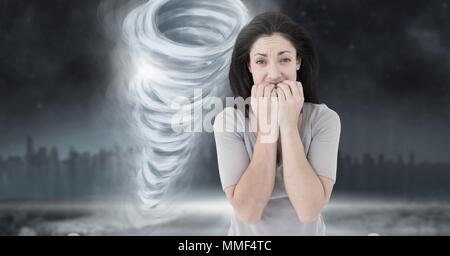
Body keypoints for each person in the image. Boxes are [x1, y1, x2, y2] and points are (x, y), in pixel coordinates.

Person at [213, 12, 341, 235]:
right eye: (261, 61)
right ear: (249, 66)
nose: (274, 74)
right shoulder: (228, 121)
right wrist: (268, 129)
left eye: (284, 59)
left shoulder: (324, 119)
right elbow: (248, 212)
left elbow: (308, 210)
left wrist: (289, 127)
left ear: (298, 62)